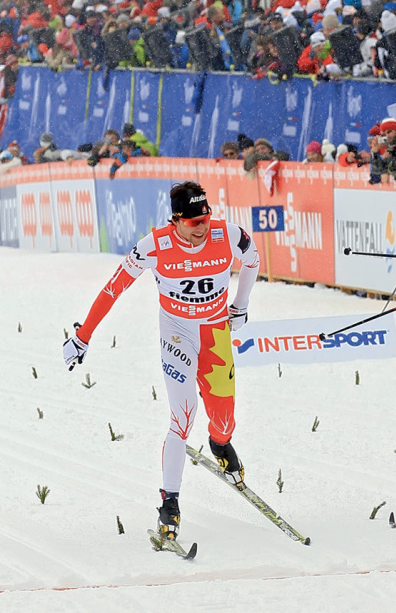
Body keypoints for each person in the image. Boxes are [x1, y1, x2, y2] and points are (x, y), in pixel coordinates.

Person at [62, 181, 260, 540]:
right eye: (193, 221)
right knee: (183, 415)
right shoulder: (154, 246)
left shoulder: (229, 234)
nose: (201, 226)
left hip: (215, 334)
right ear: (175, 220)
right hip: (177, 334)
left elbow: (253, 260)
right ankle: (170, 502)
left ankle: (219, 443)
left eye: (205, 216)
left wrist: (241, 305)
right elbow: (113, 288)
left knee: (225, 418)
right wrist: (83, 335)